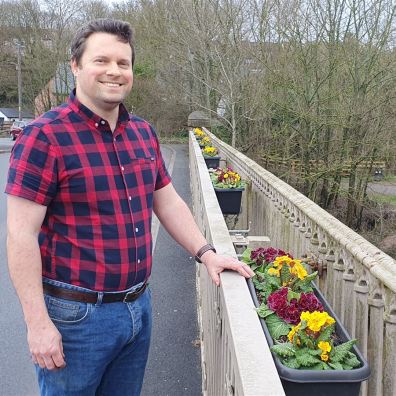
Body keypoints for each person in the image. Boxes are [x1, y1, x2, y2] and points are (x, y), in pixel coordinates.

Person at [6, 18, 254, 396]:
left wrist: (206, 253)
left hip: (138, 308)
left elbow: (167, 201)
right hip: (77, 318)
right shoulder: (45, 137)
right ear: (76, 65)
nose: (114, 71)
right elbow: (20, 235)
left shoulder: (141, 132)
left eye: (123, 63)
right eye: (101, 60)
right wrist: (37, 323)